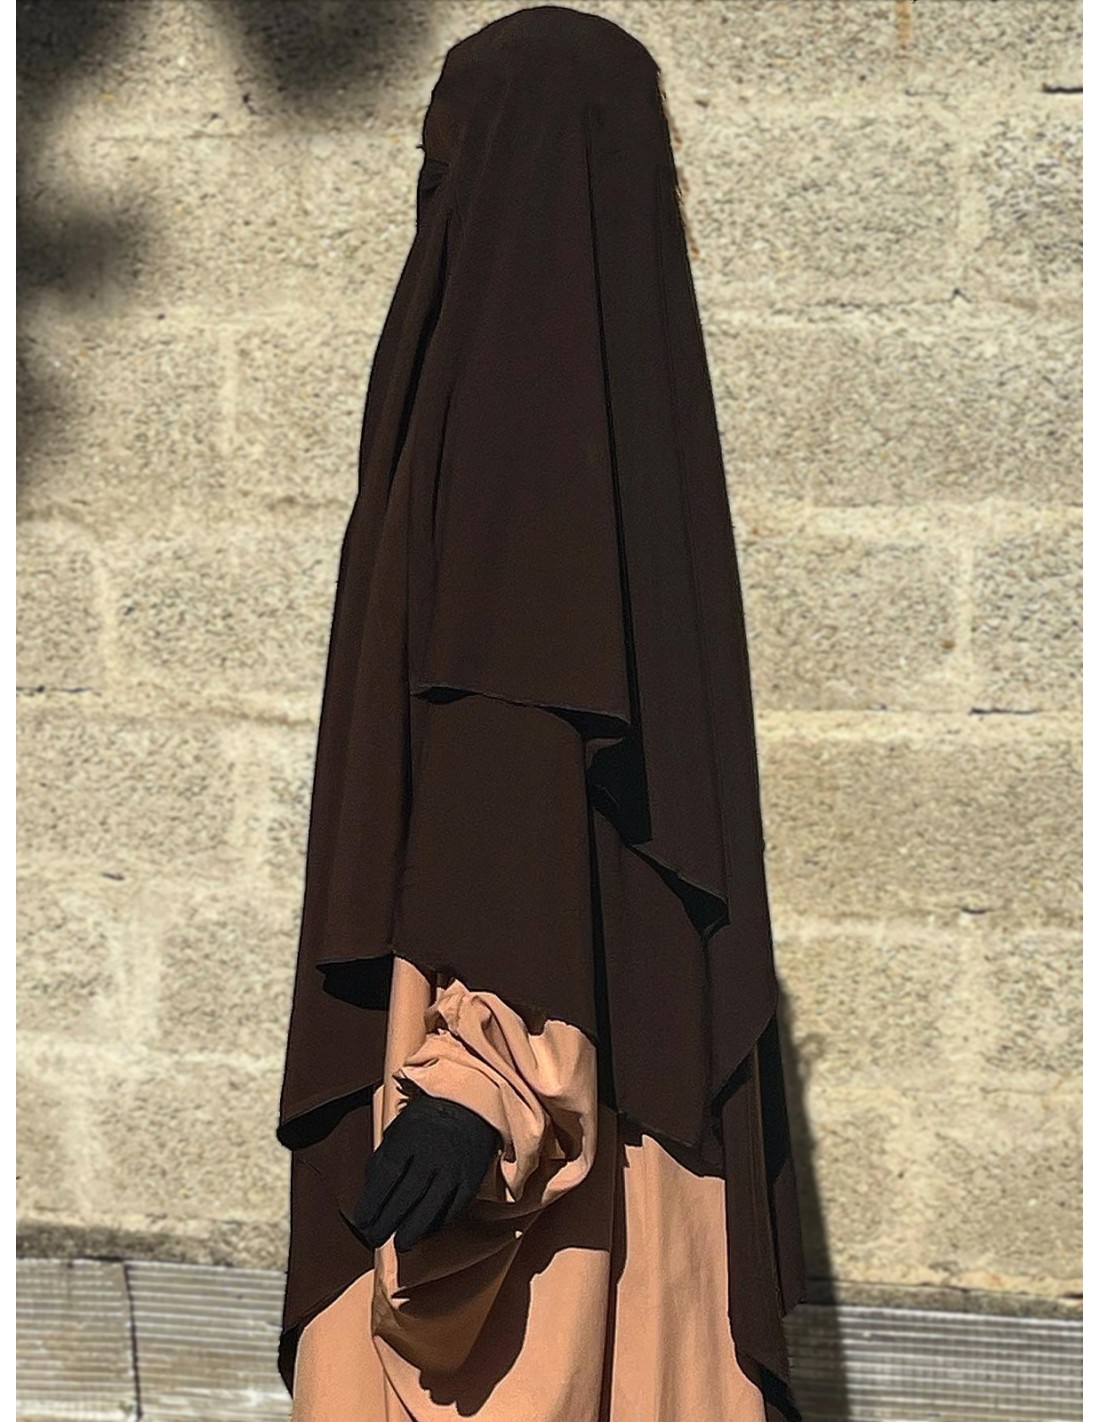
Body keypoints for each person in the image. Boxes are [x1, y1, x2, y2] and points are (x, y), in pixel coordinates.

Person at [274, 7, 806, 1420]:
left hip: (506, 1052)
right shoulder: (637, 421)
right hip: (616, 1065)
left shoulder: (502, 408)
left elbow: (513, 742)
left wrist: (476, 1077)